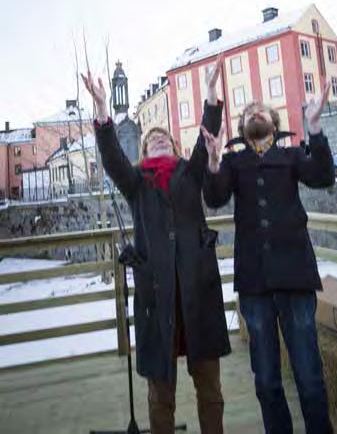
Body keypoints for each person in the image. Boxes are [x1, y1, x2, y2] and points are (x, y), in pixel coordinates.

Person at [82, 58, 231, 434]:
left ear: (174, 146)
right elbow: (113, 156)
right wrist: (102, 111)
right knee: (160, 393)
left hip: (196, 286)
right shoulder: (136, 183)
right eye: (151, 140)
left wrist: (211, 95)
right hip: (156, 293)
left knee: (209, 386)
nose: (158, 139)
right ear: (145, 152)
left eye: (163, 137)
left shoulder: (190, 172)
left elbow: (206, 140)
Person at [201, 82, 335, 434]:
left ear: (274, 123)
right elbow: (214, 199)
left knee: (309, 377)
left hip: (296, 276)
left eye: (259, 111)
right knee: (267, 383)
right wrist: (213, 163)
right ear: (243, 128)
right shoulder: (232, 161)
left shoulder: (291, 155)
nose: (253, 114)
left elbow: (322, 177)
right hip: (255, 282)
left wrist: (315, 127)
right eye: (247, 114)